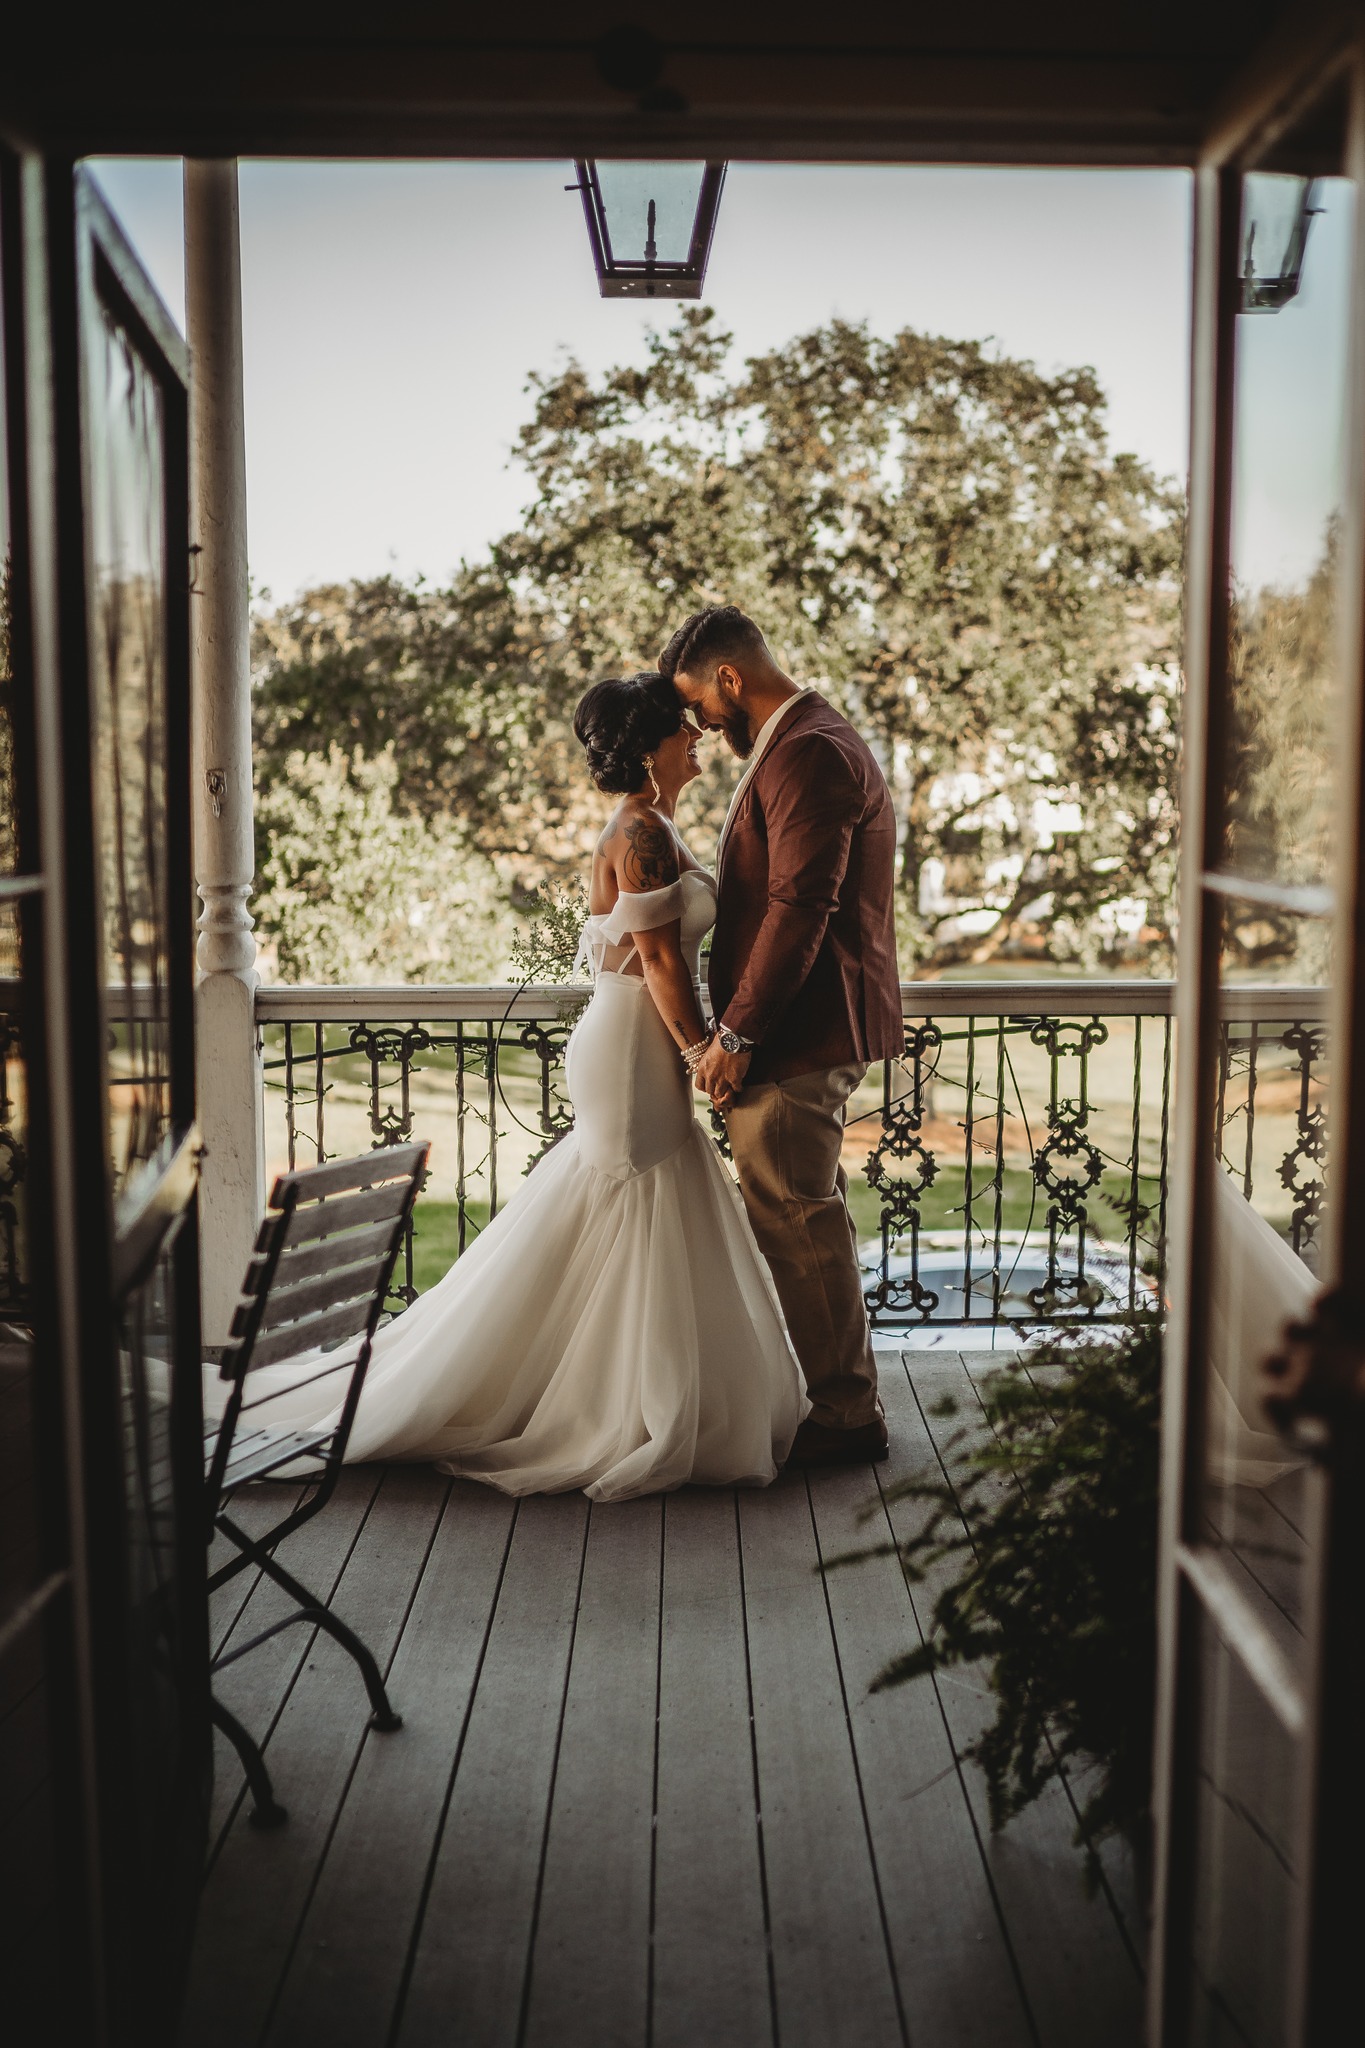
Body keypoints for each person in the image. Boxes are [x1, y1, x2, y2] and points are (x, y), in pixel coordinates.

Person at [236, 670, 807, 1502]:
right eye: (683, 727)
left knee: (637, 1201)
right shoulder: (640, 831)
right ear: (649, 744)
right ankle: (616, 1407)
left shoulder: (654, 825)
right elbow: (656, 962)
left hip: (641, 1040)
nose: (697, 737)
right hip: (633, 1042)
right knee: (635, 1193)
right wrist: (702, 1051)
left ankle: (622, 1392)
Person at [661, 606, 903, 1466]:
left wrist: (735, 1032)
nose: (698, 723)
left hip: (795, 1034)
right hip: (796, 1029)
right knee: (802, 1216)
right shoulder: (798, 741)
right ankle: (838, 1398)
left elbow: (802, 904)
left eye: (700, 703)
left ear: (730, 678)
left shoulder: (806, 749)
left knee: (800, 1220)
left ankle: (845, 1415)